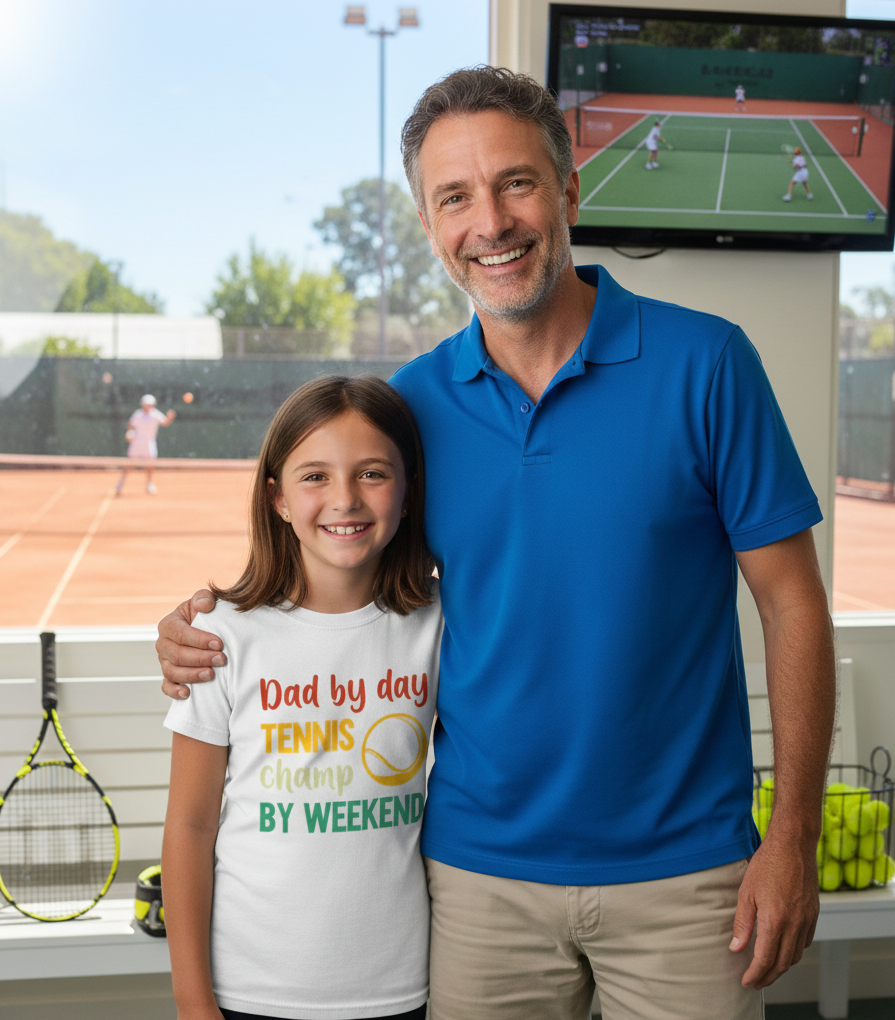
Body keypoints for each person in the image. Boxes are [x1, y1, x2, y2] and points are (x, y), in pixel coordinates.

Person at [157, 67, 836, 1020]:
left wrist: (790, 836)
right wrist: (201, 628)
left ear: (565, 190)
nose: (491, 222)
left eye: (515, 183)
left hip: (689, 876)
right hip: (475, 883)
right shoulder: (411, 408)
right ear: (429, 224)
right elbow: (338, 581)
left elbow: (792, 601)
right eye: (454, 198)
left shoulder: (707, 363)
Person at [161, 375, 442, 1020]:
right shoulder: (219, 636)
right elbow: (190, 825)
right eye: (314, 476)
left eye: (372, 473)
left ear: (407, 492)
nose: (344, 499)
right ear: (278, 498)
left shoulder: (438, 627)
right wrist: (191, 1001)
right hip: (249, 991)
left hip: (401, 987)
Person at [116, 393, 176, 495]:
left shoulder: (155, 414)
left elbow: (165, 422)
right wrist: (129, 433)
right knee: (131, 465)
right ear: (142, 405)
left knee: (150, 465)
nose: (147, 407)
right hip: (136, 443)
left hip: (149, 443)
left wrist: (170, 418)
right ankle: (121, 483)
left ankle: (149, 484)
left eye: (149, 405)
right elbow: (130, 425)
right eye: (145, 404)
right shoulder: (137, 414)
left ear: (152, 405)